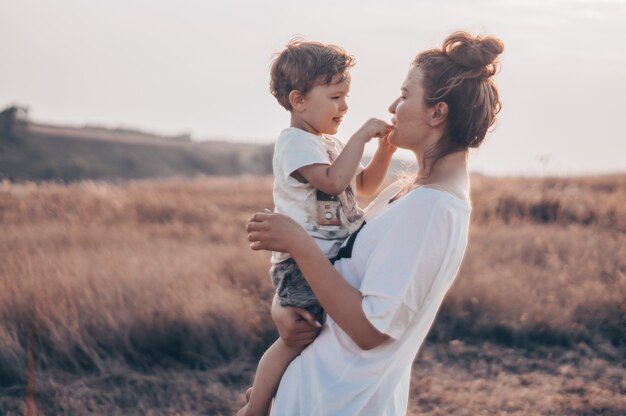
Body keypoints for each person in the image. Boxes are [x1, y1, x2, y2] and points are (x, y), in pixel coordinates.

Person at [246, 31, 504, 415]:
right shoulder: (410, 193)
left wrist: (298, 244)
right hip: (314, 394)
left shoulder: (432, 210)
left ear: (437, 112)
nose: (392, 105)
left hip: (340, 403)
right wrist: (282, 308)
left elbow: (370, 331)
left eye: (404, 95)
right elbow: (338, 264)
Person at [237, 40, 395, 416]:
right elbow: (331, 182)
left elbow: (363, 187)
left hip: (326, 260)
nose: (345, 106)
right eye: (336, 96)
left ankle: (280, 393)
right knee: (295, 339)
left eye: (346, 96)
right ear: (299, 100)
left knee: (322, 342)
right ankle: (256, 405)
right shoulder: (295, 142)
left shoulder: (328, 142)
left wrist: (385, 151)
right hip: (301, 263)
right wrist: (360, 137)